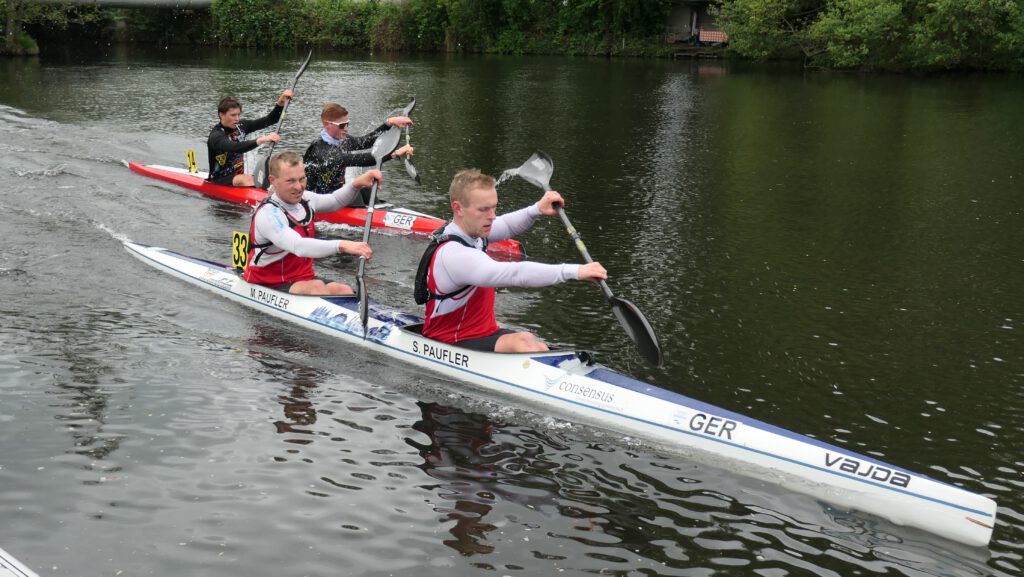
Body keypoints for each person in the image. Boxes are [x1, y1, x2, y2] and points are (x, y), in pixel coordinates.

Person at [414, 169, 607, 353]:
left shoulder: (472, 232)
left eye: (494, 207)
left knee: (533, 342)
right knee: (523, 341)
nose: (492, 216)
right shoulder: (454, 254)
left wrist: (537, 209)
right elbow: (515, 274)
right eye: (483, 209)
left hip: (480, 334)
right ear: (458, 208)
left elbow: (506, 224)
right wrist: (574, 271)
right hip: (449, 341)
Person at [243, 150, 378, 295]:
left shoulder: (306, 199)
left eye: (302, 179)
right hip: (268, 281)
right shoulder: (268, 214)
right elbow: (298, 246)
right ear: (273, 180)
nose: (298, 187)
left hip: (303, 278)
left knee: (345, 290)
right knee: (317, 287)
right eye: (290, 181)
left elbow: (335, 200)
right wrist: (343, 245)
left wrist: (356, 184)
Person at [303, 102, 415, 197]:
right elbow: (363, 159)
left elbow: (366, 142)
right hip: (317, 200)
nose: (346, 129)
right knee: (358, 196)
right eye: (342, 125)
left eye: (347, 124)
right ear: (327, 124)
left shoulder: (343, 140)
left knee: (367, 192)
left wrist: (389, 123)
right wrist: (394, 154)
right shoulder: (321, 151)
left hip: (335, 196)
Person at [207, 89, 293, 187]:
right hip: (218, 180)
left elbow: (270, 120)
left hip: (238, 177)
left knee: (271, 175)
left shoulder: (241, 126)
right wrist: (262, 140)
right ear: (221, 115)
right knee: (248, 179)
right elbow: (234, 147)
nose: (237, 119)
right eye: (233, 115)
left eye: (238, 114)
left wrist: (280, 103)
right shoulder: (216, 136)